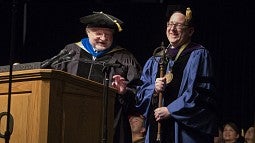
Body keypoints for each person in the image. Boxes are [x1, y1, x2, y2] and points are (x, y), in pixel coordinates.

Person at [50, 11, 141, 143]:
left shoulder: (124, 58)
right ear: (88, 32)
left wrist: (124, 92)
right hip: (72, 116)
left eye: (108, 34)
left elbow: (139, 91)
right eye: (98, 33)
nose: (103, 38)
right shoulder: (71, 52)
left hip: (111, 120)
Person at [135, 5, 218, 143]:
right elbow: (140, 93)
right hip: (156, 127)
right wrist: (154, 90)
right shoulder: (156, 59)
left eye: (179, 25)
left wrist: (171, 110)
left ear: (190, 31)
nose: (172, 29)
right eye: (170, 24)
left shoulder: (199, 55)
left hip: (184, 131)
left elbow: (202, 94)